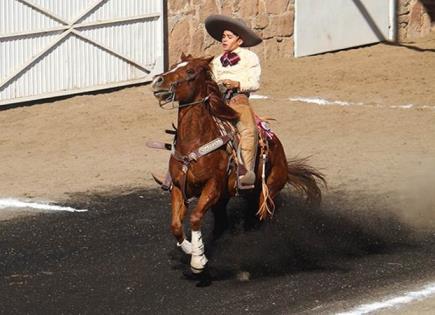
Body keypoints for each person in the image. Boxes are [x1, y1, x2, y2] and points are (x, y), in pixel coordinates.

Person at [205, 15, 262, 187]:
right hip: (217, 100)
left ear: (240, 40)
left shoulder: (250, 58)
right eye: (223, 37)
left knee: (248, 129)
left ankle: (247, 171)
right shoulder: (216, 61)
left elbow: (255, 83)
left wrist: (237, 84)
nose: (224, 40)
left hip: (238, 99)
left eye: (229, 37)